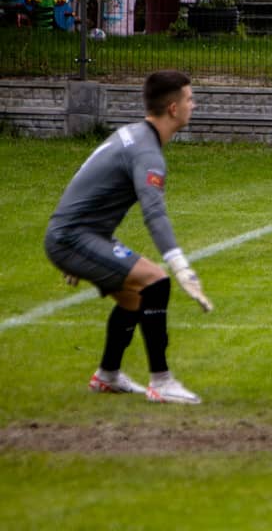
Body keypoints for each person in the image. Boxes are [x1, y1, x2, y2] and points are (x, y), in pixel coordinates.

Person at [44, 70, 212, 404]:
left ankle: (107, 375)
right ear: (174, 108)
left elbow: (91, 188)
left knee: (132, 297)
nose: (194, 105)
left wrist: (80, 250)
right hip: (72, 238)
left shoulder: (133, 134)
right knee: (155, 281)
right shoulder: (148, 153)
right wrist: (181, 266)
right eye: (190, 99)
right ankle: (161, 381)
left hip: (75, 236)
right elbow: (154, 213)